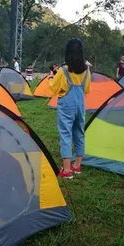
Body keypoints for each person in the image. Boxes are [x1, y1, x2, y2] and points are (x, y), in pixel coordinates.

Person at [49, 38, 91, 179]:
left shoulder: (63, 70)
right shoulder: (86, 70)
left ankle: (66, 170)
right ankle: (77, 165)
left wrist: (50, 77)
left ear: (67, 53)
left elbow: (54, 88)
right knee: (79, 132)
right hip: (80, 104)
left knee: (65, 134)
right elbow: (87, 88)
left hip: (67, 104)